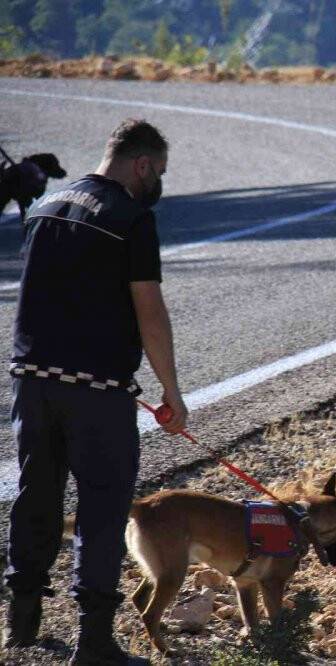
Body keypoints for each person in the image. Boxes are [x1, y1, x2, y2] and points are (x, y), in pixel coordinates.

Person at [3, 119, 188, 665]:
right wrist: (170, 393)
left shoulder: (45, 206)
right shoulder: (131, 218)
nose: (158, 183)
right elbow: (149, 311)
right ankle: (94, 641)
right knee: (103, 511)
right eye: (159, 173)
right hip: (97, 393)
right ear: (142, 165)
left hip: (32, 383)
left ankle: (23, 622)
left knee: (36, 498)